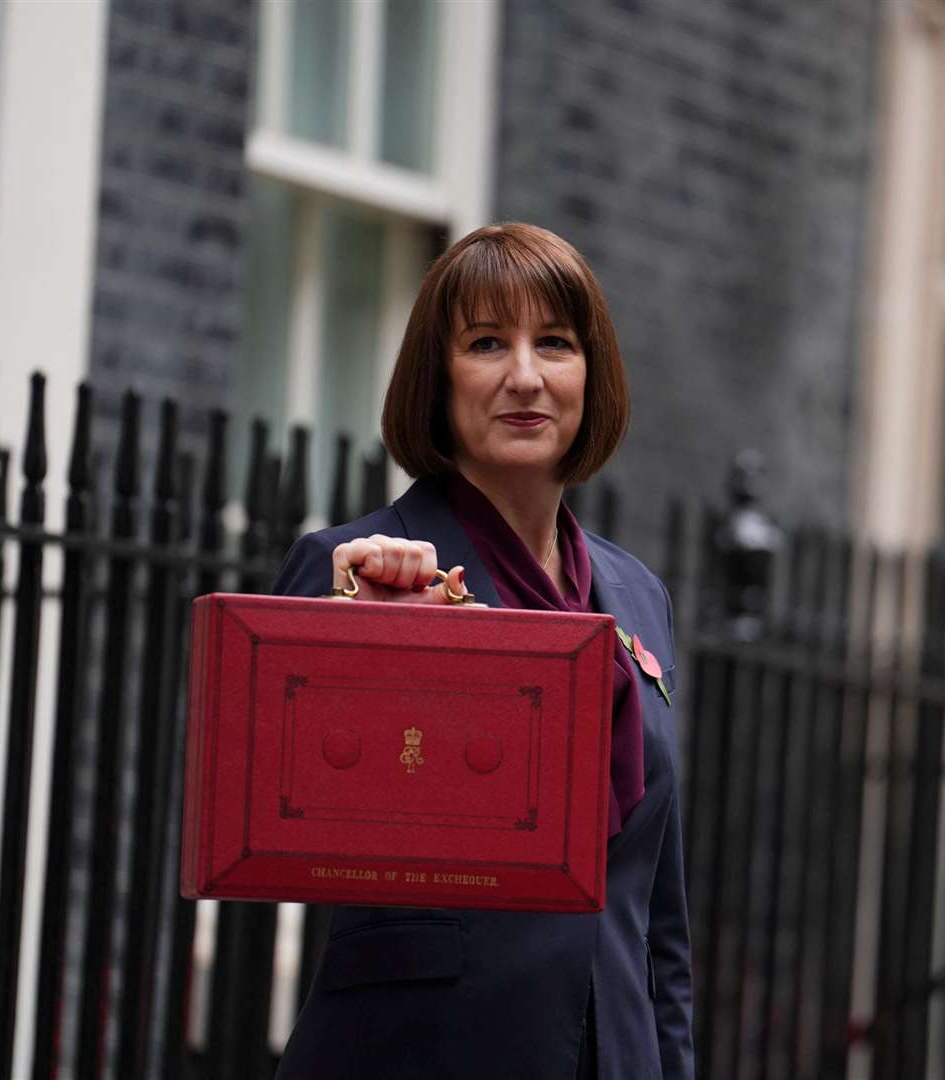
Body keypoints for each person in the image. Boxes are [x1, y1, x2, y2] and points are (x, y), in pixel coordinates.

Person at [270, 222, 693, 1080]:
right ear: (440, 377)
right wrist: (358, 626)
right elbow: (275, 802)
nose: (525, 376)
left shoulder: (641, 597)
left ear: (592, 375)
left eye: (557, 345)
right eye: (487, 343)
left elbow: (660, 922)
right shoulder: (353, 567)